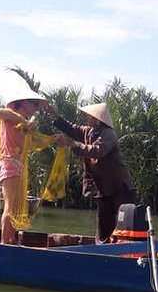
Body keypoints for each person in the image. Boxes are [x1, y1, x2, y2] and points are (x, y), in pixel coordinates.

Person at [51, 103, 135, 243]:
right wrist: (54, 115)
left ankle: (123, 251)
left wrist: (73, 144)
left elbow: (97, 150)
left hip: (119, 187)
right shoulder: (88, 131)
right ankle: (102, 248)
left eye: (89, 116)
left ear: (97, 119)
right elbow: (71, 128)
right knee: (103, 223)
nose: (86, 118)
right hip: (102, 187)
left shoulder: (108, 134)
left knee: (122, 223)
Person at [0, 91, 51, 244]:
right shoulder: (11, 114)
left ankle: (11, 239)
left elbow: (36, 142)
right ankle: (4, 243)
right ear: (23, 102)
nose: (36, 108)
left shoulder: (25, 123)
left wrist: (53, 139)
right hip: (9, 163)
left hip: (18, 165)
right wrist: (25, 122)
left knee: (15, 207)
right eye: (34, 104)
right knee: (10, 204)